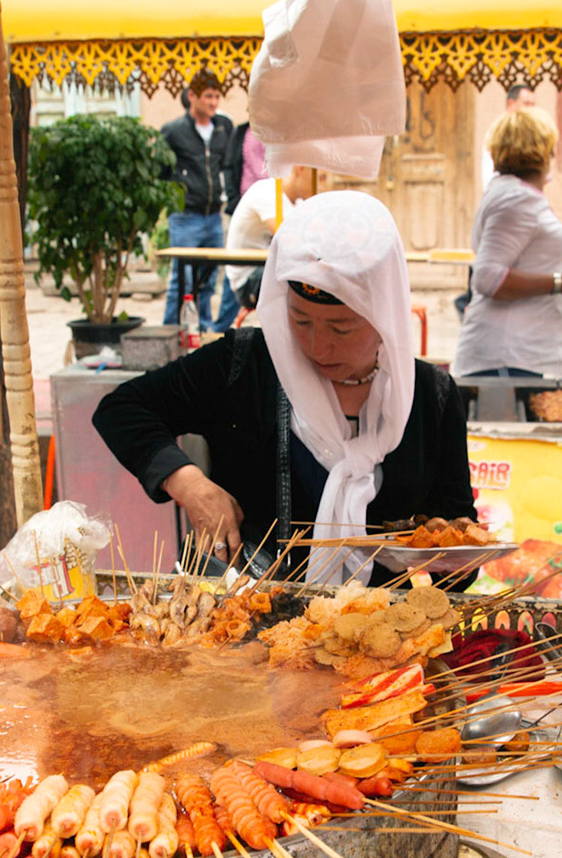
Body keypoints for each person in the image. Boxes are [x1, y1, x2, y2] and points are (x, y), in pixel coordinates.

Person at [93, 191, 475, 583]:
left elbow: (457, 541)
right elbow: (122, 408)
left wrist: (449, 551)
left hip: (377, 630)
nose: (316, 346)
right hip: (245, 619)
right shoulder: (245, 364)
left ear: (384, 316)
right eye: (301, 320)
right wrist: (188, 483)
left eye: (341, 329)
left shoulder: (432, 396)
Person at [451, 107, 562, 379]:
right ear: (544, 151)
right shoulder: (516, 200)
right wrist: (561, 283)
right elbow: (488, 278)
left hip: (519, 355)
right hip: (507, 357)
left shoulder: (512, 193)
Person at [160, 73, 240, 331]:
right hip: (186, 217)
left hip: (213, 217)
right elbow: (161, 171)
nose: (213, 102)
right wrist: (180, 191)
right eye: (208, 96)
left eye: (217, 96)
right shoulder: (174, 131)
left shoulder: (223, 128)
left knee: (207, 279)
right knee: (181, 278)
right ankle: (172, 331)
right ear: (192, 96)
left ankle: (202, 329)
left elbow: (227, 165)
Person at [456, 84, 540, 318]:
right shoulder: (500, 136)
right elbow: (492, 179)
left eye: (533, 105)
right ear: (511, 104)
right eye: (527, 104)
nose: (531, 110)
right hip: (504, 209)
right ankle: (468, 304)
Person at [224, 164, 316, 311]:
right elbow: (293, 242)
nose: (320, 184)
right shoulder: (268, 192)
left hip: (268, 269)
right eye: (320, 177)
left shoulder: (298, 203)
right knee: (315, 282)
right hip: (249, 279)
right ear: (300, 169)